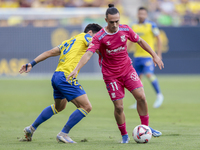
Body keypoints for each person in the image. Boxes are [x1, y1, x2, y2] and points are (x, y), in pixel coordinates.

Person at [67, 4, 164, 143]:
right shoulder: (100, 36)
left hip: (127, 70)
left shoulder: (125, 29)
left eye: (117, 21)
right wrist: (76, 69)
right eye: (111, 22)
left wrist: (154, 55)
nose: (115, 24)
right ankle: (124, 136)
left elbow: (140, 41)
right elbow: (88, 54)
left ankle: (145, 128)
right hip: (111, 75)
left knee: (141, 97)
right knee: (119, 107)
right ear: (106, 20)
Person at [19, 23, 102, 143]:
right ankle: (63, 133)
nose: (97, 39)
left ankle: (31, 128)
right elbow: (95, 46)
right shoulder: (87, 37)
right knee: (86, 107)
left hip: (57, 76)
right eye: (97, 36)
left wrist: (32, 63)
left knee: (59, 106)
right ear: (90, 32)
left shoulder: (69, 41)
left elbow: (50, 52)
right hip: (66, 77)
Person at [128, 7, 164, 109]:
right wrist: (125, 52)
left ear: (146, 15)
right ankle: (138, 101)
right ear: (137, 14)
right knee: (137, 80)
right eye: (140, 13)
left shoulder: (151, 25)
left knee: (149, 74)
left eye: (143, 14)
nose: (141, 15)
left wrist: (158, 54)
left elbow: (159, 39)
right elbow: (131, 41)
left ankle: (159, 95)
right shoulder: (133, 26)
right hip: (137, 56)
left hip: (147, 56)